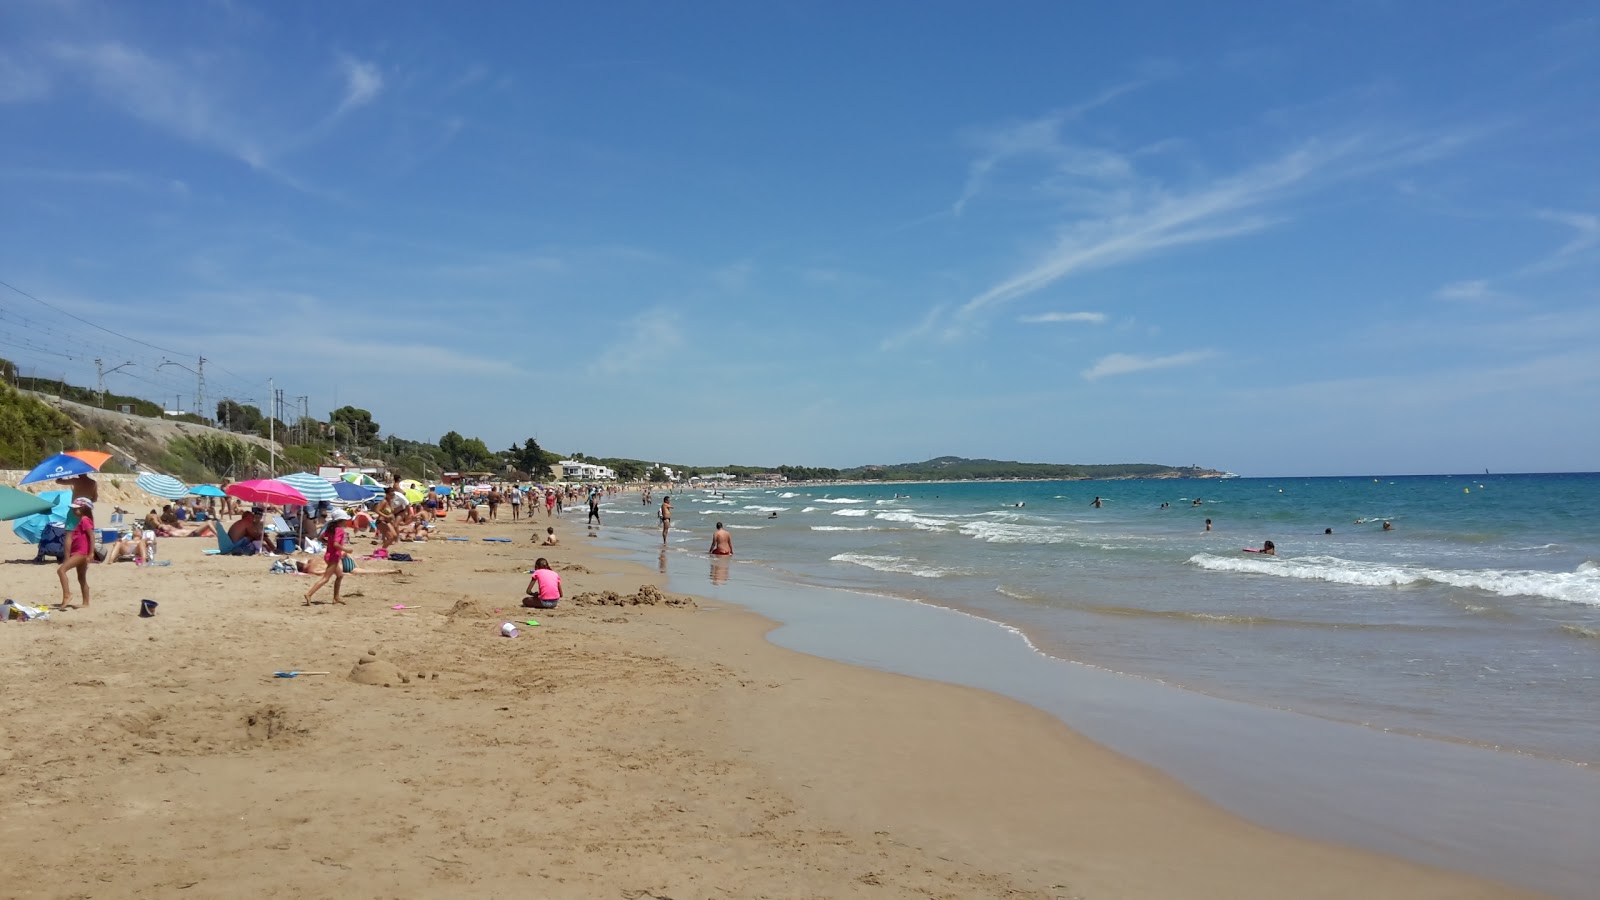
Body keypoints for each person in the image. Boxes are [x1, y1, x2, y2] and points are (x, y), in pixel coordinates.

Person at [304, 509, 353, 605]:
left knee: (340, 575)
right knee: (326, 578)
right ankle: (309, 593)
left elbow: (320, 538)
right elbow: (336, 544)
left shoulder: (331, 529)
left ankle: (336, 597)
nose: (346, 521)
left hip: (329, 555)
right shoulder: (339, 530)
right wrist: (346, 550)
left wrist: (327, 543)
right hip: (333, 557)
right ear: (341, 520)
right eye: (345, 520)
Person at [57, 498, 95, 608]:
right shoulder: (82, 520)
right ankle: (86, 603)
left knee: (61, 571)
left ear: (83, 509)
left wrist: (91, 553)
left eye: (76, 509)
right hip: (80, 553)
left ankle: (67, 595)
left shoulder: (84, 520)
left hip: (81, 553)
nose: (74, 511)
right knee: (81, 578)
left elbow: (92, 536)